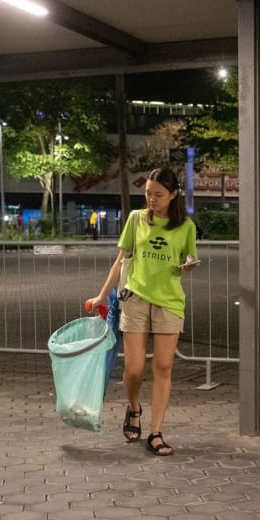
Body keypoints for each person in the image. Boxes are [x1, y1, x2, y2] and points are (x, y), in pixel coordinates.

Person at [86, 168, 198, 456]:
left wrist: (189, 264)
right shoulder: (136, 220)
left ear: (173, 195)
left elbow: (190, 256)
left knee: (163, 367)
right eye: (148, 193)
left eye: (158, 194)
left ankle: (156, 432)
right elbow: (120, 261)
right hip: (134, 298)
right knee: (134, 368)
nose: (152, 199)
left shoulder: (186, 227)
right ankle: (133, 407)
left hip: (169, 302)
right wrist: (100, 295)